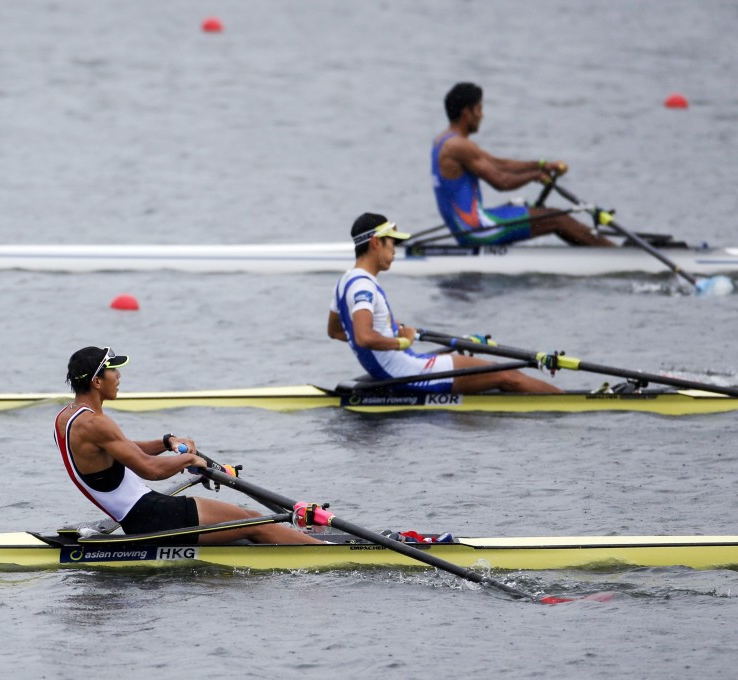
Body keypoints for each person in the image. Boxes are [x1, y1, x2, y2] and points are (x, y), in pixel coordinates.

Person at [54, 346, 322, 545]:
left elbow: (121, 448)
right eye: (113, 370)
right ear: (97, 382)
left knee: (245, 522)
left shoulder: (67, 417)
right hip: (154, 517)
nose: (119, 376)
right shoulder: (98, 423)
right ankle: (325, 550)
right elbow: (151, 470)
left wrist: (165, 442)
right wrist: (190, 460)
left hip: (140, 516)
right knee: (254, 521)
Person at [327, 213, 561, 394]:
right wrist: (400, 341)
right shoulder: (364, 286)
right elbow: (363, 337)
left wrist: (385, 332)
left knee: (492, 371)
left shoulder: (345, 281)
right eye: (392, 243)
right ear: (376, 243)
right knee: (507, 374)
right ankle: (578, 403)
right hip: (409, 371)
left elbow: (336, 331)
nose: (395, 251)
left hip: (396, 369)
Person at [432, 82, 615, 247]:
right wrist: (534, 176)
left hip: (466, 228)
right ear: (466, 113)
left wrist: (541, 166)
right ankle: (614, 254)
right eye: (479, 109)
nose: (482, 115)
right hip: (477, 230)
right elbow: (501, 182)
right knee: (556, 218)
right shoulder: (459, 146)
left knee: (544, 213)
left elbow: (499, 164)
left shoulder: (444, 140)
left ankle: (594, 252)